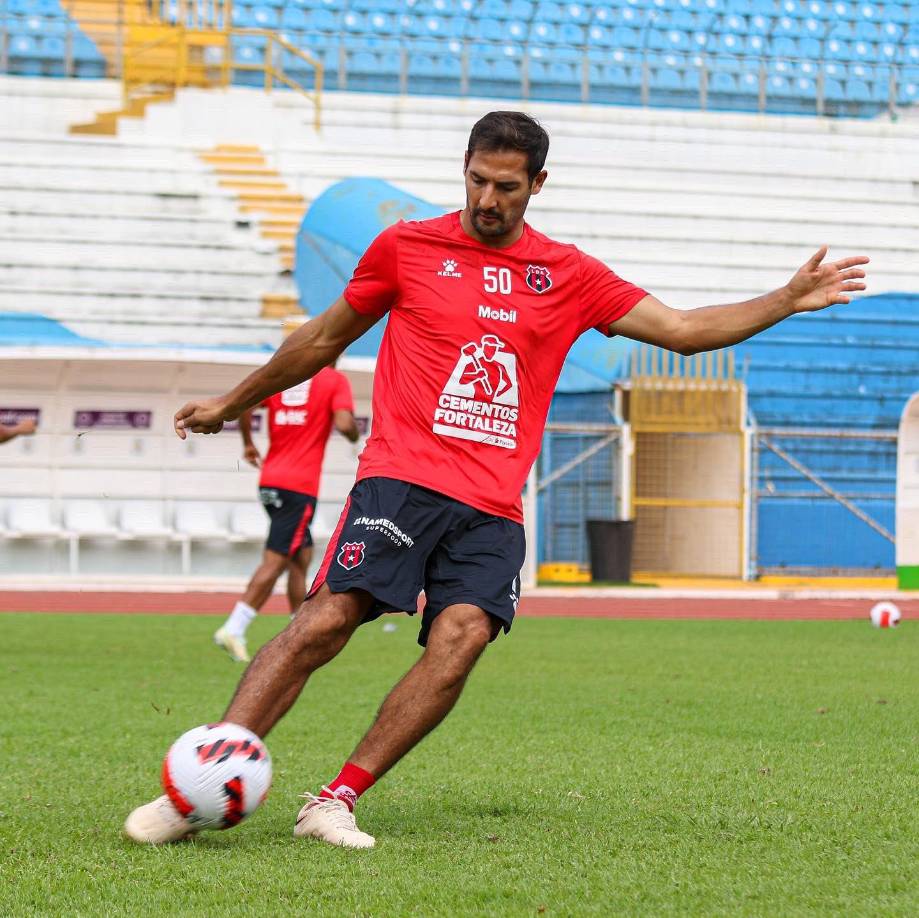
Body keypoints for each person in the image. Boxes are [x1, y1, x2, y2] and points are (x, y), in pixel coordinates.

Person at [125, 111, 868, 848]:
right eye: (478, 180)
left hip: (490, 506)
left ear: (537, 184)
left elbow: (679, 330)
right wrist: (233, 402)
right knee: (325, 620)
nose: (488, 199)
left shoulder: (568, 274)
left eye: (506, 187)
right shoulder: (406, 247)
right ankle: (197, 790)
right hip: (401, 480)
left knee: (462, 638)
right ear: (464, 168)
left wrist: (783, 300)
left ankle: (336, 799)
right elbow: (321, 338)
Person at [213, 366, 359, 663]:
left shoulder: (286, 375)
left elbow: (245, 404)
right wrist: (354, 432)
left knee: (300, 557)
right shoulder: (333, 380)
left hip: (270, 482)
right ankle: (234, 628)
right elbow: (345, 425)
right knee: (276, 559)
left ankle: (298, 628)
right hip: (299, 488)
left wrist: (248, 444)